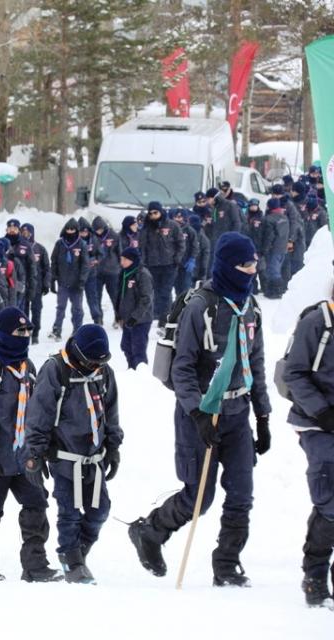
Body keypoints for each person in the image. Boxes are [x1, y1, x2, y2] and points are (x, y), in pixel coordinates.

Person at [128, 232, 271, 588]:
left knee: (241, 493)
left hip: (238, 413)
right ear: (226, 266)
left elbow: (256, 361)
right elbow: (183, 369)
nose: (252, 271)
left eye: (254, 264)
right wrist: (198, 413)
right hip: (202, 412)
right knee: (199, 498)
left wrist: (263, 415)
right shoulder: (200, 307)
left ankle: (227, 563)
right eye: (244, 265)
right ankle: (152, 531)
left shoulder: (250, 306)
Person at [0, 307, 60, 582]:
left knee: (36, 506)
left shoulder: (27, 368)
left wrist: (40, 448)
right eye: (20, 332)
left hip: (23, 457)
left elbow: (38, 411)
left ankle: (35, 566)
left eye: (28, 331)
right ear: (5, 334)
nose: (25, 336)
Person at [24, 324, 121, 584]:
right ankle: (70, 558)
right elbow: (38, 414)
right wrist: (34, 453)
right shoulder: (55, 370)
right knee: (68, 510)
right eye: (91, 363)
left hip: (94, 456)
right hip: (64, 455)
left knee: (100, 509)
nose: (96, 367)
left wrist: (113, 446)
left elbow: (110, 410)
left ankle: (80, 550)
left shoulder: (103, 372)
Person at [281, 284, 334, 608]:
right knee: (330, 502)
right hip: (317, 422)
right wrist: (323, 411)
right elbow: (294, 372)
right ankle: (314, 576)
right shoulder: (316, 323)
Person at [139, 202, 184, 328]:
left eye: (155, 213)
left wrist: (177, 259)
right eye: (151, 213)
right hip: (152, 265)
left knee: (165, 291)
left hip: (169, 264)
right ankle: (157, 313)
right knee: (155, 291)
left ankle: (165, 318)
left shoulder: (172, 225)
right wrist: (142, 262)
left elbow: (180, 243)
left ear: (160, 212)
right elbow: (142, 246)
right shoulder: (146, 228)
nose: (153, 215)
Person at [49, 217, 90, 340]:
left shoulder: (81, 244)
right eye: (68, 229)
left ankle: (78, 330)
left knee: (77, 308)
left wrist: (82, 281)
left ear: (76, 230)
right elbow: (54, 261)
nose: (70, 231)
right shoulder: (60, 244)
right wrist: (53, 279)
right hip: (63, 282)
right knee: (60, 307)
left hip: (76, 283)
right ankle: (57, 330)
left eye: (72, 229)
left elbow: (85, 264)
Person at [116, 248, 153, 369]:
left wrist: (135, 317)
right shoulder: (124, 273)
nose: (122, 262)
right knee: (126, 346)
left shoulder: (142, 274)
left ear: (133, 260)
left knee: (138, 349)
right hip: (127, 318)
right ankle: (131, 369)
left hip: (140, 320)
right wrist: (118, 313)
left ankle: (141, 373)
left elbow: (146, 299)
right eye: (121, 259)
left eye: (125, 259)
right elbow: (120, 295)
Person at [21, 223, 50, 345]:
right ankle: (25, 334)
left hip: (36, 285)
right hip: (23, 285)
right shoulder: (18, 248)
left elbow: (47, 267)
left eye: (28, 232)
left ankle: (36, 333)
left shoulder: (40, 249)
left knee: (36, 309)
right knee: (23, 311)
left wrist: (46, 283)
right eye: (23, 232)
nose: (26, 234)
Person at [92, 216, 121, 324]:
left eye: (100, 229)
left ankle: (118, 317)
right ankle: (98, 318)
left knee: (115, 295)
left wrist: (120, 266)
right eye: (96, 230)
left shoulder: (114, 235)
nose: (99, 231)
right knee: (96, 296)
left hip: (112, 271)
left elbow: (119, 252)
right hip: (97, 271)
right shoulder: (92, 237)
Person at [261, 198, 290, 300]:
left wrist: (265, 249)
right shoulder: (285, 218)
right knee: (277, 269)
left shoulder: (268, 219)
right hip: (282, 248)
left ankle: (275, 292)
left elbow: (269, 236)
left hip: (273, 249)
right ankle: (276, 290)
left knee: (273, 271)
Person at [78, 218, 103, 325]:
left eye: (86, 231)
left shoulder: (94, 239)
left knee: (92, 297)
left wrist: (96, 260)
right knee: (77, 300)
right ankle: (77, 321)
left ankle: (97, 318)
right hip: (78, 274)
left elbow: (101, 253)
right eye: (81, 231)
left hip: (91, 273)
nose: (84, 233)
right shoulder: (75, 241)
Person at [172, 208, 200, 296]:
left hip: (185, 264)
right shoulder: (170, 230)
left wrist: (192, 259)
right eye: (176, 217)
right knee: (175, 289)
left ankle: (184, 308)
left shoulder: (190, 231)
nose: (178, 219)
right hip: (173, 264)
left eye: (180, 217)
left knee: (185, 289)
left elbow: (195, 246)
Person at [241, 199, 266, 295]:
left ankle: (265, 287)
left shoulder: (261, 218)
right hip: (248, 246)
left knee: (262, 269)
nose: (253, 207)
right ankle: (253, 288)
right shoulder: (246, 217)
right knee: (251, 270)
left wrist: (264, 248)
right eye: (252, 206)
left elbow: (265, 233)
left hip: (259, 246)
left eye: (255, 205)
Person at [190, 213, 211, 281]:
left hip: (197, 270)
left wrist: (204, 268)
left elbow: (206, 253)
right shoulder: (186, 233)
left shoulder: (202, 237)